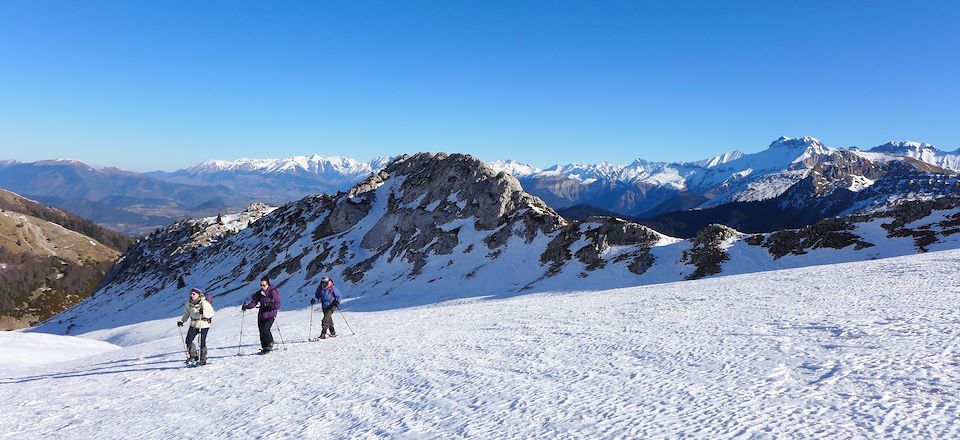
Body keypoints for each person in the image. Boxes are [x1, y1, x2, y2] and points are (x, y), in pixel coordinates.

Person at [242, 277, 281, 354]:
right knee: (261, 332)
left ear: (268, 284)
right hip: (262, 314)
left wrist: (273, 307)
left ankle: (270, 342)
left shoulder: (272, 292)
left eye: (264, 285)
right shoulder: (259, 293)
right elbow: (253, 303)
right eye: (261, 285)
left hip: (270, 314)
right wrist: (247, 306)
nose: (262, 287)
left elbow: (278, 303)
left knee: (265, 329)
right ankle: (264, 347)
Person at [177, 287, 214, 365]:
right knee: (188, 340)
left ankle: (202, 359)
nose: (191, 295)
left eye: (194, 294)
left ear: (198, 295)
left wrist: (203, 312)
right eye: (191, 294)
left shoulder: (204, 303)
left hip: (203, 325)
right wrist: (182, 321)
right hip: (193, 324)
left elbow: (211, 313)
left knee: (201, 342)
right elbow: (187, 313)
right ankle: (193, 356)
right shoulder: (189, 303)